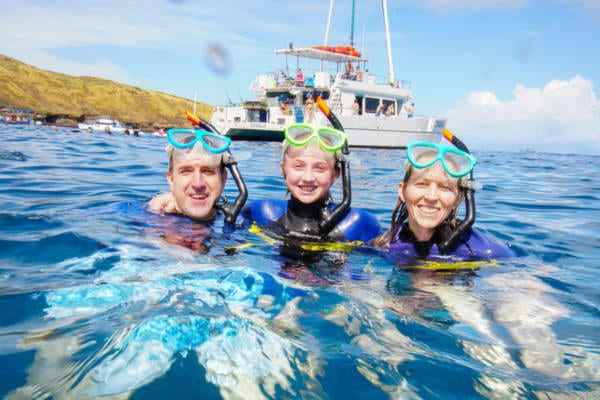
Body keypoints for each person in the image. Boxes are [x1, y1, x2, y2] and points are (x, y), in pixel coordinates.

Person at [373, 137, 514, 261]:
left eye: (445, 188)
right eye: (422, 184)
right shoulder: (383, 244)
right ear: (402, 191)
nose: (431, 196)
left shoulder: (484, 252)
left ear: (458, 199)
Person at [242, 122, 381, 243]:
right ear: (283, 169)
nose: (308, 177)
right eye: (298, 166)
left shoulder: (358, 223)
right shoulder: (260, 212)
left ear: (335, 175)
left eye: (320, 168)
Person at [148, 125, 247, 225]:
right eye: (186, 171)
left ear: (223, 179)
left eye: (207, 171)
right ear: (171, 179)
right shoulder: (146, 220)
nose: (198, 183)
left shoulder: (243, 221)